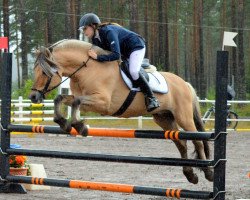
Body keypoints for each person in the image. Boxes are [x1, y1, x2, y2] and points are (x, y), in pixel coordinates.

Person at [78, 13, 160, 112]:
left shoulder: (108, 31)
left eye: (85, 28)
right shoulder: (95, 39)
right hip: (125, 52)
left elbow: (116, 55)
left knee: (133, 71)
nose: (84, 32)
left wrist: (98, 57)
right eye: (82, 30)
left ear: (93, 25)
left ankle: (152, 98)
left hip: (136, 46)